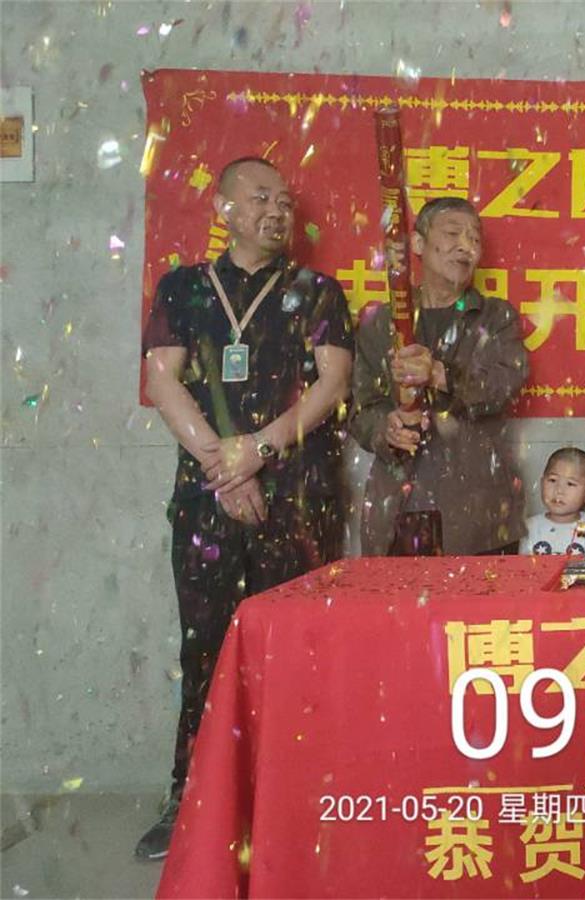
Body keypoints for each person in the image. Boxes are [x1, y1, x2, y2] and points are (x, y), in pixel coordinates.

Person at [137, 157, 353, 859]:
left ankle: (294, 799)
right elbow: (162, 381)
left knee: (294, 647)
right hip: (206, 502)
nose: (277, 211)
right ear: (224, 207)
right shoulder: (183, 287)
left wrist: (258, 451)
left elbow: (332, 384)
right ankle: (191, 798)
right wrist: (222, 467)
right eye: (261, 198)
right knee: (205, 645)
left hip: (297, 500)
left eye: (284, 202)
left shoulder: (316, 291)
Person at [351, 196, 528, 555]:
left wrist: (440, 374)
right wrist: (386, 429)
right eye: (452, 233)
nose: (466, 246)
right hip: (397, 508)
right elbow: (361, 410)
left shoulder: (495, 318)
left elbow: (504, 386)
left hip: (478, 512)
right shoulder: (382, 323)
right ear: (417, 243)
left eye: (474, 238)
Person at [519, 447, 585, 555]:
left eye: (570, 484)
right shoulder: (528, 528)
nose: (559, 490)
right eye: (552, 480)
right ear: (541, 483)